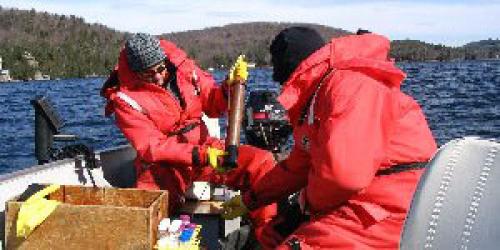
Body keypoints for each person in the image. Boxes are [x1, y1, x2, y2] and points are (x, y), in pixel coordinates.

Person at [222, 27, 438, 249]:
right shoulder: (322, 92)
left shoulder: (350, 84)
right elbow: (298, 167)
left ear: (291, 62)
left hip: (390, 213)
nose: (277, 78)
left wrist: (303, 206)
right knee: (270, 235)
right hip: (361, 206)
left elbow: (344, 177)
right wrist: (250, 200)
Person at [101, 33, 277, 240]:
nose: (158, 77)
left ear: (165, 60)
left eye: (160, 69)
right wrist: (201, 155)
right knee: (149, 210)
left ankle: (266, 235)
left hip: (206, 149)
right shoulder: (124, 99)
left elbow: (212, 103)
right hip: (164, 166)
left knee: (261, 162)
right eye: (149, 75)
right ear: (136, 72)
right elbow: (151, 147)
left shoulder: (185, 69)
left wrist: (229, 88)